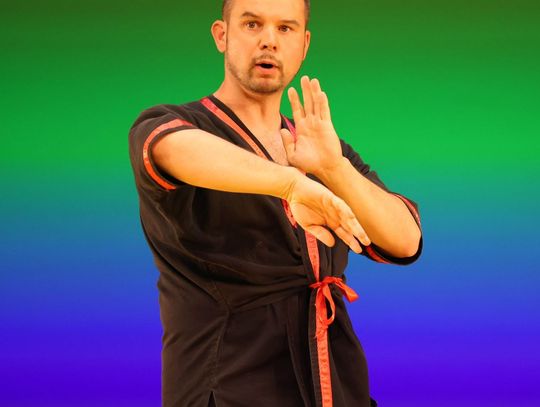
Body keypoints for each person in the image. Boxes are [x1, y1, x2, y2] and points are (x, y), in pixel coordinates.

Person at [128, 0, 423, 406]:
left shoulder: (321, 148)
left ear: (304, 45)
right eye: (252, 24)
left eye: (285, 28)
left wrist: (334, 170)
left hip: (335, 388)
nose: (269, 40)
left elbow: (405, 241)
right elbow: (166, 148)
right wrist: (291, 184)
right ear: (222, 35)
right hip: (228, 389)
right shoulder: (182, 126)